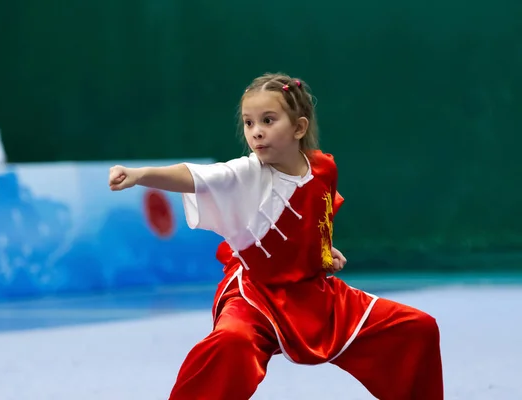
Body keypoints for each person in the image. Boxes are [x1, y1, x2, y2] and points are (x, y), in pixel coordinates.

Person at [108, 73, 444, 400]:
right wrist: (140, 175)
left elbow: (316, 217)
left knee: (417, 328)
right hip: (256, 294)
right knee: (231, 342)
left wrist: (324, 251)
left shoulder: (323, 168)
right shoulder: (244, 173)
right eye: (249, 123)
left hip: (313, 294)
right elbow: (192, 176)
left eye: (268, 120)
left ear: (299, 127)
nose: (256, 133)